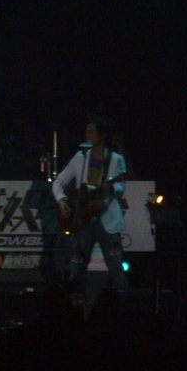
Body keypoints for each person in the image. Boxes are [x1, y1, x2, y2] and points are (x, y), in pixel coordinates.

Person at [52, 116, 129, 312]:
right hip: (82, 220)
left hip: (107, 220)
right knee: (76, 267)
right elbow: (59, 181)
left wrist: (112, 189)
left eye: (92, 131)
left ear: (102, 136)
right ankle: (73, 310)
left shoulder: (115, 159)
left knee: (116, 267)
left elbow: (120, 187)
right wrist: (61, 200)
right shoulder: (81, 157)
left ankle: (122, 311)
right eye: (87, 131)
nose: (88, 135)